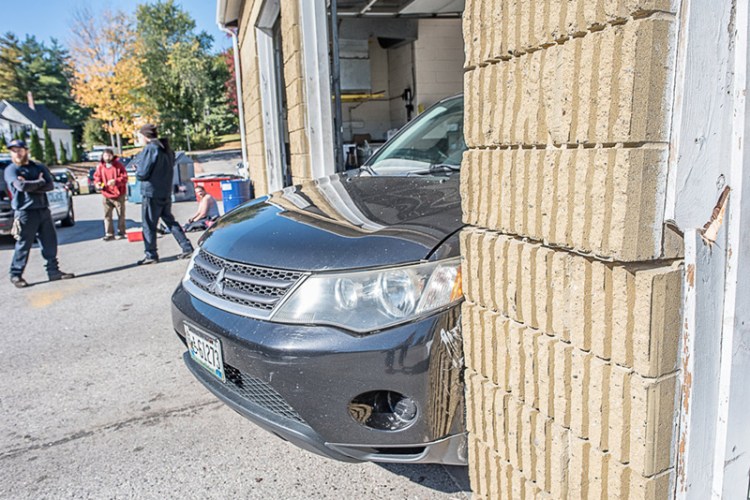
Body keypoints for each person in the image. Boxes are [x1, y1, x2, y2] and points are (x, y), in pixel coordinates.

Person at [4, 139, 74, 288]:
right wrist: (39, 182)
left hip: (43, 209)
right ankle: (16, 275)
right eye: (13, 150)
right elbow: (21, 186)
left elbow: (49, 185)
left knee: (50, 241)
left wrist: (34, 184)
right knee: (24, 244)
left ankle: (53, 271)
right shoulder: (11, 169)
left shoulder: (37, 166)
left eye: (19, 150)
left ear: (26, 150)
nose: (16, 153)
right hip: (25, 212)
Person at [134, 124, 193, 265]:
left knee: (148, 224)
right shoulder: (166, 149)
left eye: (139, 136)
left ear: (145, 136)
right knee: (169, 221)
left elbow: (143, 173)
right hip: (165, 191)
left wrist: (137, 169)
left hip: (151, 192)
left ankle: (151, 254)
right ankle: (187, 247)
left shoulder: (150, 149)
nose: (139, 139)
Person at [94, 148, 128, 240]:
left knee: (121, 214)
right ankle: (109, 234)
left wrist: (116, 181)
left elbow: (124, 178)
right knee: (107, 215)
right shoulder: (100, 167)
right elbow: (97, 177)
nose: (107, 157)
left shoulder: (119, 166)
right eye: (105, 155)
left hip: (118, 194)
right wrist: (97, 184)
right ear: (103, 156)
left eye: (109, 155)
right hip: (106, 194)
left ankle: (121, 232)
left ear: (112, 156)